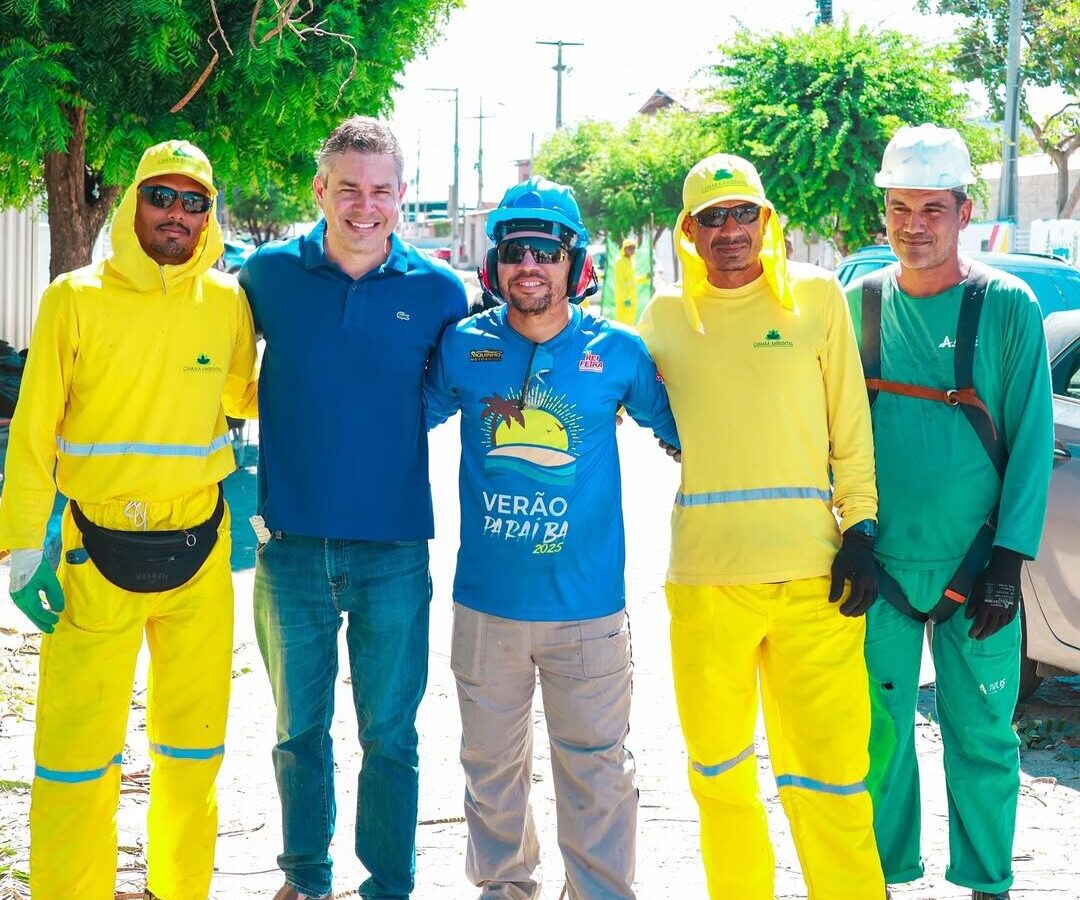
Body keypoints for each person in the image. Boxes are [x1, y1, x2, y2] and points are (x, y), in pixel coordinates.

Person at [0, 140, 257, 900]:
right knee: (74, 759)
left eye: (194, 202)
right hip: (92, 554)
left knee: (191, 757)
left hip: (199, 554)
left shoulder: (228, 303)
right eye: (162, 196)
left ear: (209, 216)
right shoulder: (73, 299)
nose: (177, 213)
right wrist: (21, 547)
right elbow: (34, 427)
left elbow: (248, 400)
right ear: (132, 202)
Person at [636, 153, 884, 900]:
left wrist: (862, 527)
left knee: (831, 780)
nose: (730, 231)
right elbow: (646, 411)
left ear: (768, 220)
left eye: (743, 212)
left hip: (816, 583)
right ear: (687, 232)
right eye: (711, 217)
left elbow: (850, 421)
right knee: (719, 778)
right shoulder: (662, 318)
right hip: (707, 586)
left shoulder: (816, 298)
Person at [424, 176, 679, 900]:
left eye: (545, 250)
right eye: (513, 250)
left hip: (589, 611)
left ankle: (598, 891)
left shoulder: (620, 353)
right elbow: (404, 420)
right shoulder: (463, 346)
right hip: (486, 607)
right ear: (493, 262)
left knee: (597, 768)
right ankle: (505, 886)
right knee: (490, 767)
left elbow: (687, 431)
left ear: (576, 261)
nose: (528, 265)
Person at [239, 116, 467, 900]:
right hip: (291, 547)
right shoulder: (267, 275)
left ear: (402, 195)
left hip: (394, 550)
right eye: (348, 189)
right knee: (298, 733)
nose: (364, 207)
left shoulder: (440, 291)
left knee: (390, 737)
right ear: (320, 190)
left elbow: (454, 391)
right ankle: (304, 877)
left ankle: (388, 885)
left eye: (381, 191)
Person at [847, 124, 1053, 900]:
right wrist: (850, 536)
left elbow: (1033, 441)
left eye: (933, 207)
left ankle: (987, 886)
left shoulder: (1006, 306)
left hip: (979, 572)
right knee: (881, 740)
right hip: (883, 569)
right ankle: (883, 880)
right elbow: (834, 430)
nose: (915, 224)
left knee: (984, 741)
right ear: (884, 214)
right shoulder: (859, 303)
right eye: (900, 207)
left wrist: (1008, 563)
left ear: (964, 211)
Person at [612, 237, 648, 326]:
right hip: (623, 299)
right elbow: (620, 283)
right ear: (624, 248)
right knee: (622, 323)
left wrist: (646, 277)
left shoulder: (631, 262)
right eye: (630, 248)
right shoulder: (619, 262)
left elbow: (633, 281)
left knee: (630, 323)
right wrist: (625, 298)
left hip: (632, 298)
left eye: (634, 248)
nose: (632, 250)